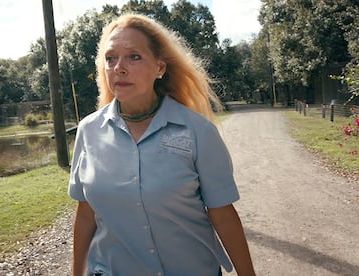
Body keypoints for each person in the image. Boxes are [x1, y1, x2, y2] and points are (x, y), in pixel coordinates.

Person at [68, 13, 255, 276]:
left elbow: (222, 214)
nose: (119, 67)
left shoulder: (198, 131)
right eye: (111, 58)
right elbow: (86, 214)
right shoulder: (88, 131)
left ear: (160, 68)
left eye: (134, 56)